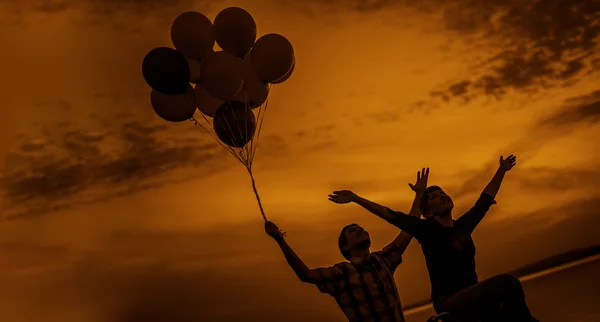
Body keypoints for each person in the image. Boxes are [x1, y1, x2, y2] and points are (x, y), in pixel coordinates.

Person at [330, 155, 539, 322]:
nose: (442, 196)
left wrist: (501, 170)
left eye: (443, 193)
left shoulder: (463, 226)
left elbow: (485, 200)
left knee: (509, 312)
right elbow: (389, 214)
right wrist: (356, 198)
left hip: (474, 296)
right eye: (435, 197)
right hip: (448, 302)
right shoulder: (426, 230)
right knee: (507, 282)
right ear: (429, 212)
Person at [264, 168, 431, 322]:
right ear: (346, 247)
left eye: (361, 229)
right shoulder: (341, 273)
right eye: (353, 231)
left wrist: (420, 194)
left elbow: (409, 228)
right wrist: (280, 240)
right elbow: (306, 275)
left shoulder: (382, 260)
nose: (360, 230)